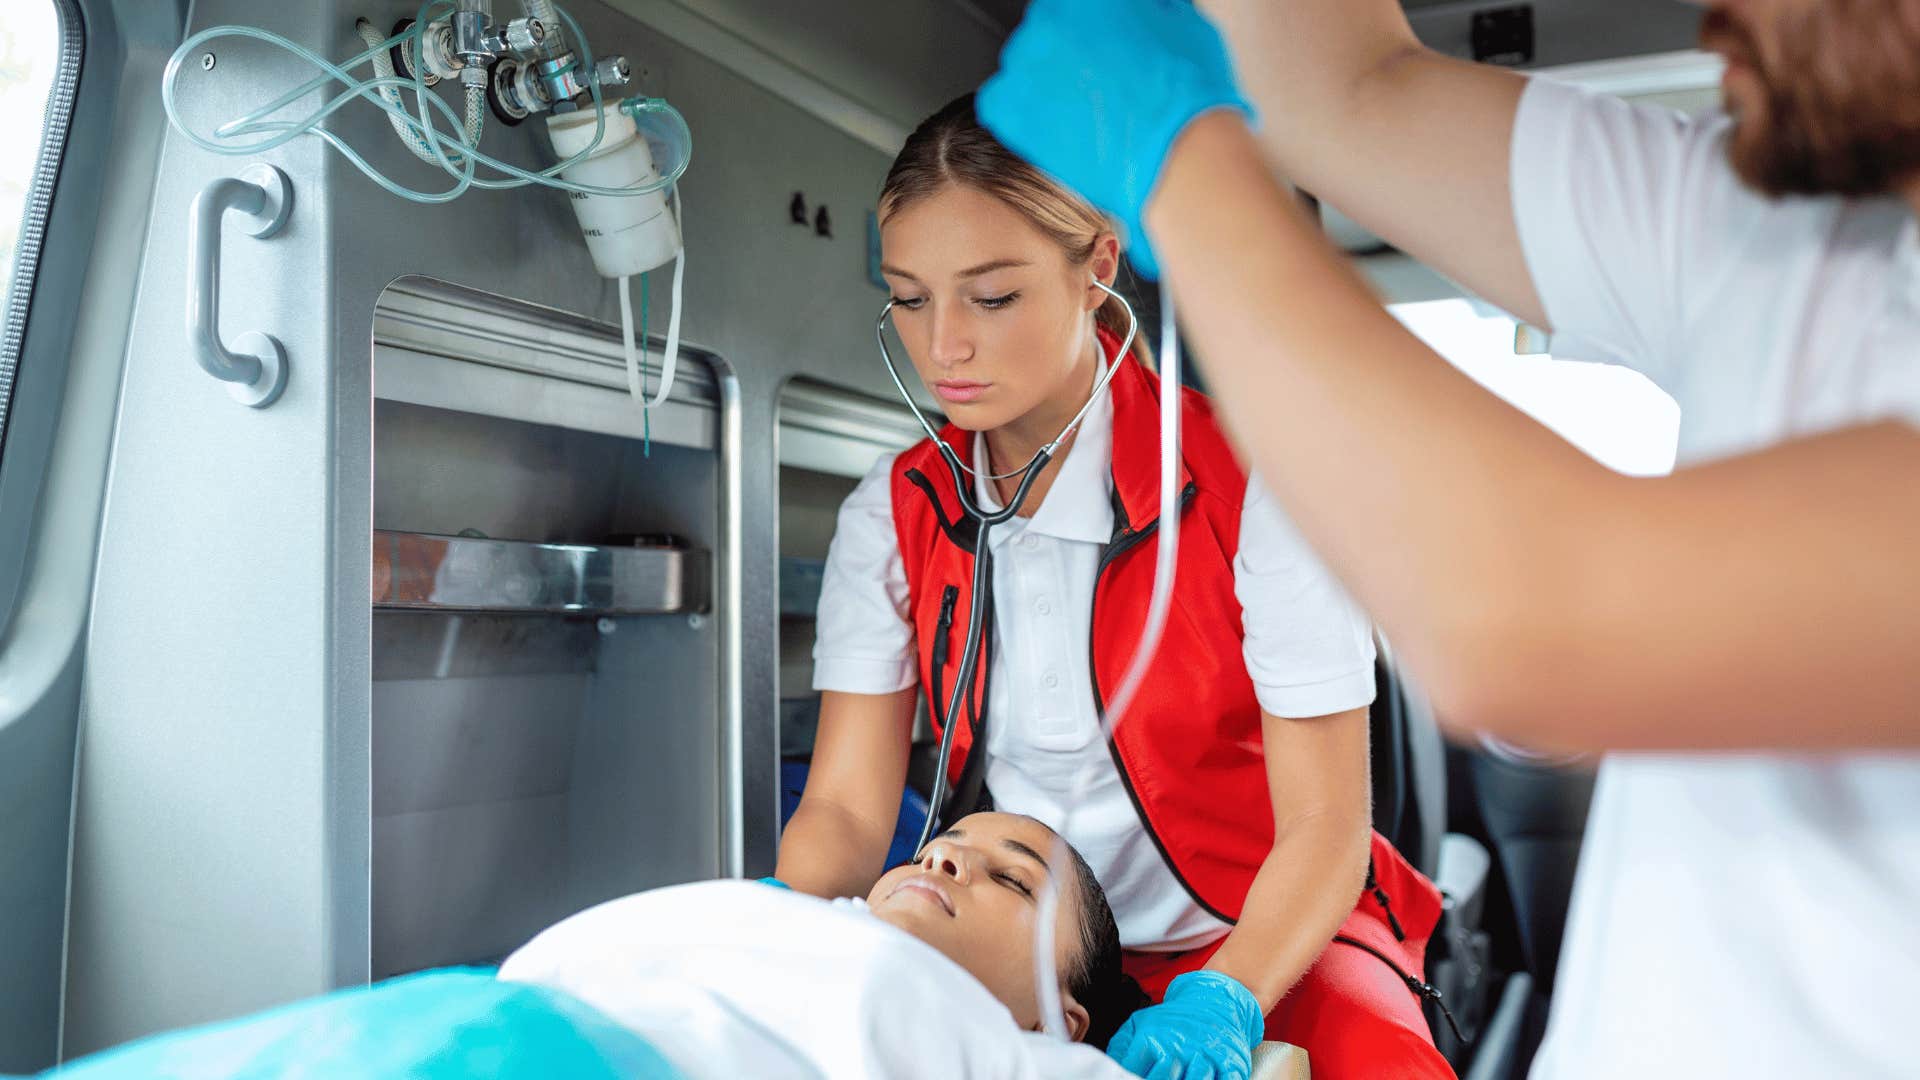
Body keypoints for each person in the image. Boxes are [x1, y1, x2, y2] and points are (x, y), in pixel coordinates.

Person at [974, 0, 1920, 1076]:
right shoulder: (1777, 219)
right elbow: (1347, 86)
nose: (1721, 17)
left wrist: (1177, 155)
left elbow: (1531, 626)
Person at [774, 95, 1451, 1079]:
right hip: (1036, 940)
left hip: (1268, 929)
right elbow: (843, 809)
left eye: (990, 297)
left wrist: (1225, 997)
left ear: (1097, 266)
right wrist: (767, 928)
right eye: (910, 299)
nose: (944, 348)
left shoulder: (1257, 485)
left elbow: (1324, 827)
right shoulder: (895, 510)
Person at [32, 814, 1144, 1080]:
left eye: (1011, 879)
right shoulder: (799, 918)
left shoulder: (1036, 1060)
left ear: (1064, 1009)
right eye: (943, 843)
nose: (947, 861)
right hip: (452, 1015)